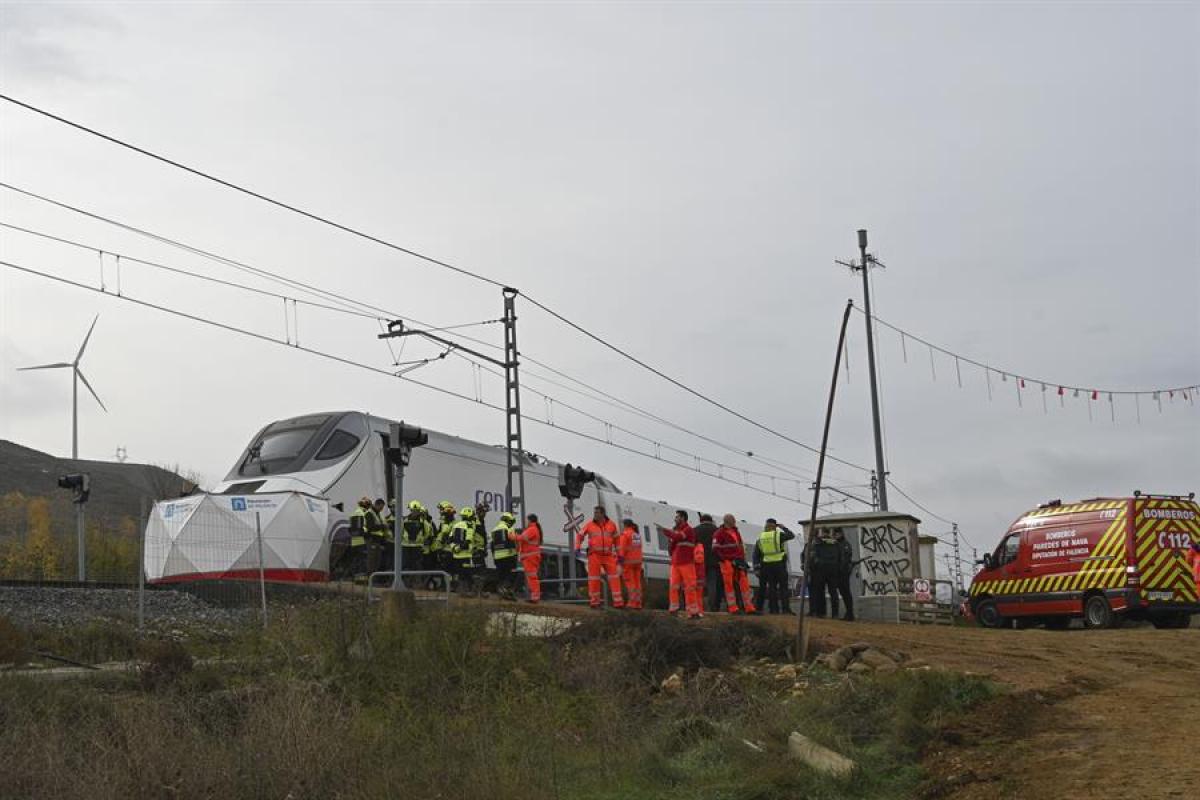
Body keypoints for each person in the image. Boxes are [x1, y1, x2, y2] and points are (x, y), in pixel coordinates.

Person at [575, 506, 624, 609]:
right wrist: (577, 547)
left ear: (602, 514)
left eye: (597, 513)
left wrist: (620, 554)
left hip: (608, 555)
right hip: (594, 555)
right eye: (595, 512)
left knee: (614, 578)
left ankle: (618, 603)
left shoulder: (612, 525)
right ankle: (594, 602)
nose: (595, 514)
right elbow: (580, 535)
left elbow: (617, 541)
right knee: (594, 579)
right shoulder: (590, 525)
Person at [713, 514, 756, 614]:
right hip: (727, 561)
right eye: (733, 520)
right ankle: (733, 608)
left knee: (744, 583)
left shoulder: (736, 531)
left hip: (738, 560)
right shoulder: (719, 533)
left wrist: (742, 559)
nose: (735, 522)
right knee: (729, 584)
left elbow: (740, 546)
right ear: (728, 521)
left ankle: (749, 607)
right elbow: (715, 549)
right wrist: (724, 559)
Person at [664, 510, 701, 618]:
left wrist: (668, 533)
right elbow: (672, 546)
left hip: (686, 563)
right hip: (676, 563)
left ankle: (693, 612)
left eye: (677, 517)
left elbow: (678, 537)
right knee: (673, 586)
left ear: (683, 518)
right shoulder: (677, 531)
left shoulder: (688, 530)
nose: (675, 519)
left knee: (689, 587)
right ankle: (673, 609)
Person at [753, 518, 794, 614]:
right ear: (775, 526)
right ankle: (785, 609)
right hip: (779, 564)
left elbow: (756, 553)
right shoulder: (778, 535)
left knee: (772, 588)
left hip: (766, 565)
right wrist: (783, 527)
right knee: (783, 588)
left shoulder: (761, 537)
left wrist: (756, 567)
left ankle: (773, 609)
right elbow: (791, 536)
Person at [807, 529, 841, 618]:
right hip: (833, 570)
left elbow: (813, 557)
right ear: (829, 533)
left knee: (820, 592)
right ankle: (835, 614)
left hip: (820, 571)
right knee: (833, 592)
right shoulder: (835, 543)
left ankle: (822, 613)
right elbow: (840, 557)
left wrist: (812, 568)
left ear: (822, 533)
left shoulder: (817, 543)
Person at [510, 513, 543, 603]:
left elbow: (522, 538)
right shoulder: (533, 529)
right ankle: (534, 596)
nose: (525, 521)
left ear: (530, 520)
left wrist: (513, 536)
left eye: (526, 520)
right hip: (531, 557)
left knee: (532, 577)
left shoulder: (532, 529)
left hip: (530, 557)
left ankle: (535, 597)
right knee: (531, 577)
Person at [450, 506, 482, 595]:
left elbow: (450, 539)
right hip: (466, 555)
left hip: (456, 555)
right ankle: (469, 591)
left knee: (459, 574)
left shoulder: (456, 525)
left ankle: (460, 591)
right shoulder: (469, 525)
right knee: (467, 574)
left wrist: (454, 548)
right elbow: (468, 540)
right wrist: (461, 548)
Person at [399, 500, 432, 586]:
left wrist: (420, 540)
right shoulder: (404, 520)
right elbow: (400, 531)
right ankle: (406, 582)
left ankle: (416, 582)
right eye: (413, 510)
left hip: (417, 546)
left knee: (417, 565)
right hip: (406, 545)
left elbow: (427, 532)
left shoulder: (423, 522)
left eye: (416, 511)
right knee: (406, 564)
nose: (414, 512)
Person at [692, 513, 720, 612]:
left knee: (697, 584)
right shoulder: (717, 531)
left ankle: (696, 606)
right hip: (713, 562)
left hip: (698, 561)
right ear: (711, 520)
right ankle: (712, 606)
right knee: (712, 584)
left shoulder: (695, 530)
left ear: (701, 521)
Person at [491, 511, 520, 599]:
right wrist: (516, 552)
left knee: (501, 575)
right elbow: (514, 541)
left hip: (497, 557)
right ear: (508, 520)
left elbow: (492, 544)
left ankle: (501, 591)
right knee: (511, 574)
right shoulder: (509, 528)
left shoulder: (494, 530)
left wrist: (494, 556)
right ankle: (507, 590)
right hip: (509, 556)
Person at [617, 518, 644, 610]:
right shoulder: (637, 535)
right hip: (638, 562)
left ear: (625, 525)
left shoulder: (625, 534)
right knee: (637, 583)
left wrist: (619, 561)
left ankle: (632, 603)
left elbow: (622, 549)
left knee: (630, 582)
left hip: (628, 562)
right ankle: (638, 603)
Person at [347, 496, 373, 578]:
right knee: (363, 558)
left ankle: (354, 575)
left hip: (354, 539)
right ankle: (361, 576)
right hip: (362, 538)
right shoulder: (364, 513)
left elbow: (351, 527)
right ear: (367, 505)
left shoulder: (354, 513)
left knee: (355, 558)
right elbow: (364, 527)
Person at [834, 528, 856, 621]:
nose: (836, 536)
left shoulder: (845, 544)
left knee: (846, 593)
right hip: (839, 572)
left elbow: (845, 559)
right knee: (843, 593)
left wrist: (841, 569)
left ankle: (850, 613)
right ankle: (849, 613)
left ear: (841, 534)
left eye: (838, 534)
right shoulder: (837, 544)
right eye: (835, 534)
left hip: (844, 572)